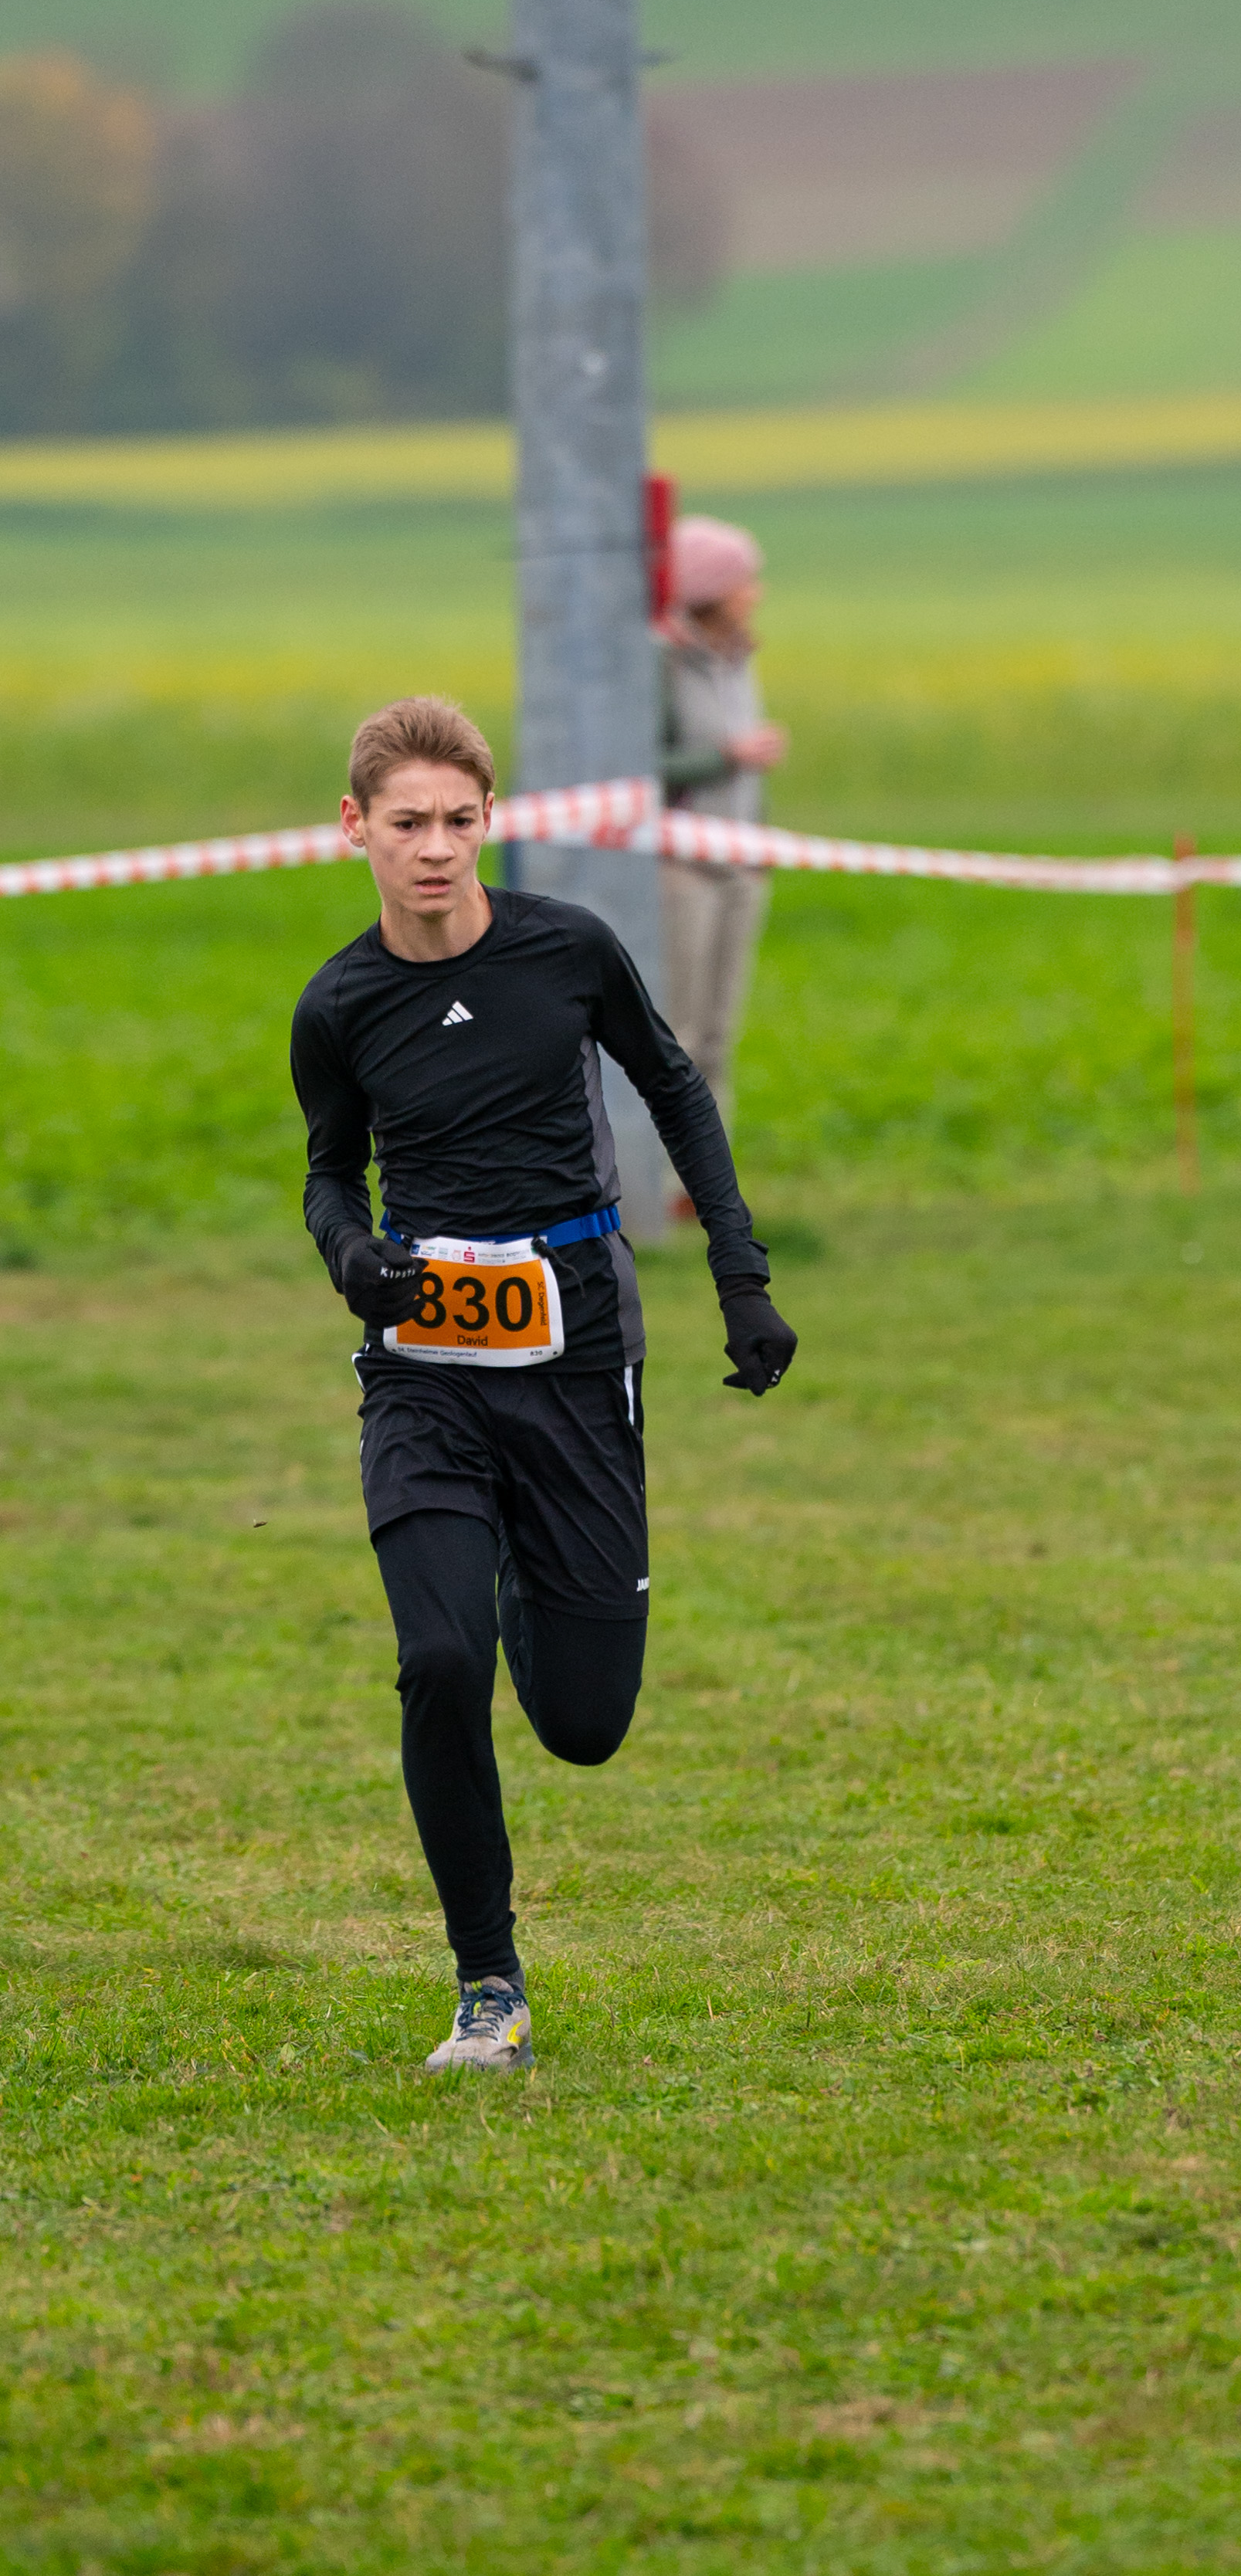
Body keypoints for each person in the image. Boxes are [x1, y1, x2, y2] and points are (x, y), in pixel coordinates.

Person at [290, 694, 797, 2074]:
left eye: (458, 821)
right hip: (424, 1376)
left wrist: (739, 1275)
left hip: (573, 1359)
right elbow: (330, 1172)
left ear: (488, 822)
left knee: (581, 1722)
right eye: (407, 823)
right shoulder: (338, 1003)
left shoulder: (566, 949)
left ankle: (522, 1559)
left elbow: (674, 1088)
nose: (434, 848)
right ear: (355, 828)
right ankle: (487, 1985)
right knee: (441, 1660)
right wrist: (352, 1256)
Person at [658, 515, 787, 1198]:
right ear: (709, 587)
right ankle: (655, 1180)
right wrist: (725, 756)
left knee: (716, 1038)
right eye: (743, 581)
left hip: (741, 865)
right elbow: (636, 764)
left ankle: (701, 1189)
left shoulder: (738, 657)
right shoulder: (662, 661)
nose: (754, 593)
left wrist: (761, 843)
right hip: (682, 869)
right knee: (676, 1036)